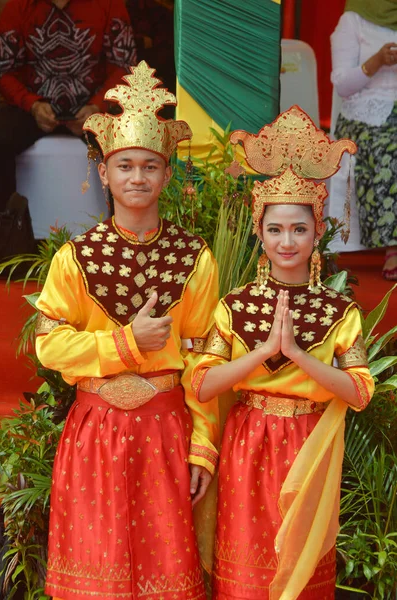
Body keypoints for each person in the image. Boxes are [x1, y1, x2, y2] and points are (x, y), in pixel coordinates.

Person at [34, 60, 219, 600]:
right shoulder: (77, 257)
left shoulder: (194, 257)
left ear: (167, 174)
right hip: (96, 429)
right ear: (104, 173)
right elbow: (49, 344)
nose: (137, 178)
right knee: (99, 576)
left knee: (167, 574)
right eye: (125, 166)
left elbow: (208, 356)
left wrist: (203, 446)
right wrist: (125, 342)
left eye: (150, 166)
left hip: (167, 430)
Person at [192, 106, 375, 600]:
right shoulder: (233, 307)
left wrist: (296, 353)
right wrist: (265, 352)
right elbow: (202, 383)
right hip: (247, 446)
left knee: (300, 576)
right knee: (247, 578)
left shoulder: (339, 310)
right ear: (259, 232)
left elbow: (359, 391)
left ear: (317, 231)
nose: (286, 241)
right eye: (275, 230)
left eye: (298, 229)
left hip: (308, 448)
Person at [0, 0, 137, 212]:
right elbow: (3, 70)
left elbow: (124, 65)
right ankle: (7, 232)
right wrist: (32, 104)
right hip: (32, 109)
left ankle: (125, 236)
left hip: (95, 109)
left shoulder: (109, 4)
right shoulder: (18, 6)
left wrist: (97, 106)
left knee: (134, 143)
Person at [331, 0, 397, 279]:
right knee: (388, 148)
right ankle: (393, 246)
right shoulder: (354, 20)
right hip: (363, 114)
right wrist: (377, 61)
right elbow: (343, 84)